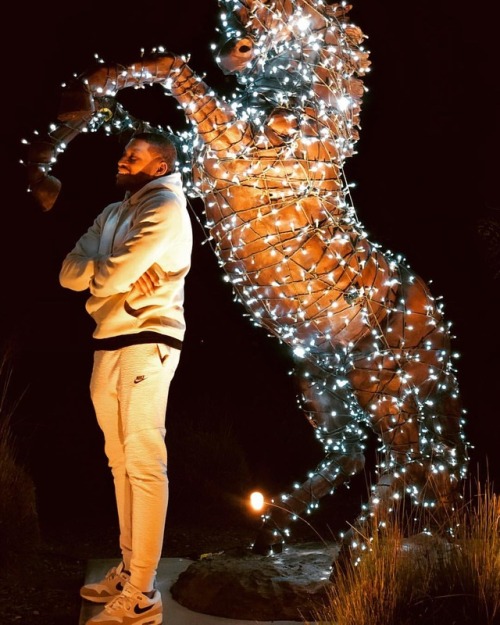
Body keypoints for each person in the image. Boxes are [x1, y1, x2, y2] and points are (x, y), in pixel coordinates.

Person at [59, 131, 193, 625]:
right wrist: (109, 273)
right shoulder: (112, 213)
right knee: (120, 464)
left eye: (133, 157)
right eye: (123, 154)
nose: (122, 160)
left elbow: (107, 278)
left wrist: (105, 280)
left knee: (144, 463)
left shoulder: (167, 208)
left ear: (159, 167)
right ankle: (130, 570)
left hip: (148, 338)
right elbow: (68, 272)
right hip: (108, 339)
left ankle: (143, 595)